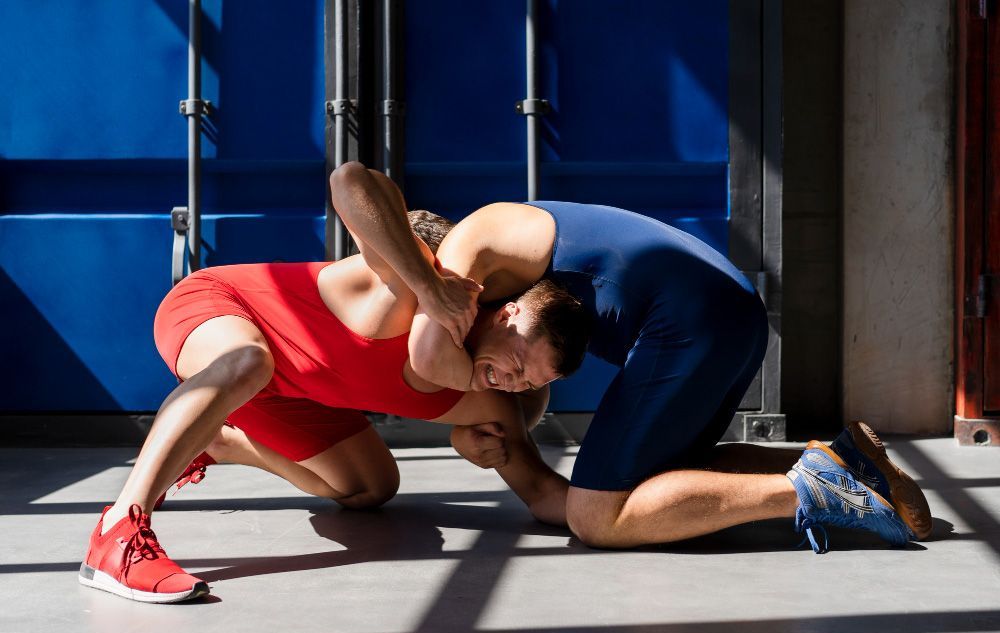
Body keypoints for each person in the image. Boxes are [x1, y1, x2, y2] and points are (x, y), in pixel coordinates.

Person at [331, 161, 933, 554]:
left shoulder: (474, 243)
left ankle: (814, 488)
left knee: (597, 519)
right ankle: (842, 460)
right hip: (725, 314)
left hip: (691, 318)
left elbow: (425, 365)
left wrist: (429, 290)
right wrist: (489, 422)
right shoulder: (522, 295)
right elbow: (528, 401)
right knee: (661, 484)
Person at [79, 169, 590, 603]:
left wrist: (629, 514)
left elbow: (542, 492)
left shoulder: (489, 398)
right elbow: (350, 178)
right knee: (248, 362)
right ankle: (118, 531)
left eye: (528, 383)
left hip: (282, 392)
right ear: (503, 314)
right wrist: (430, 286)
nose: (513, 382)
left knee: (371, 489)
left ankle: (216, 439)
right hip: (220, 310)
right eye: (518, 362)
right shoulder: (407, 294)